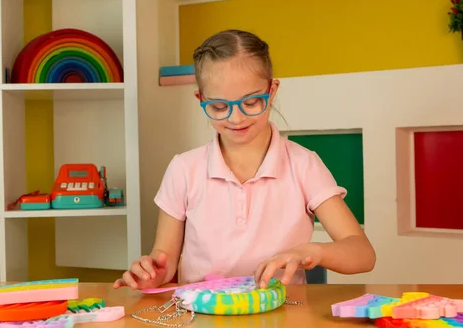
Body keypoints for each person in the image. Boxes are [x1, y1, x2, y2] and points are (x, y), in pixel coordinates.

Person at [113, 29, 376, 290]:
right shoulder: (183, 169)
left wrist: (311, 252)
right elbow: (165, 259)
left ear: (272, 91)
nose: (235, 118)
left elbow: (363, 254)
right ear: (201, 99)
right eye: (218, 106)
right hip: (202, 320)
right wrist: (153, 274)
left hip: (283, 321)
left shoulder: (304, 164)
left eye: (250, 102)